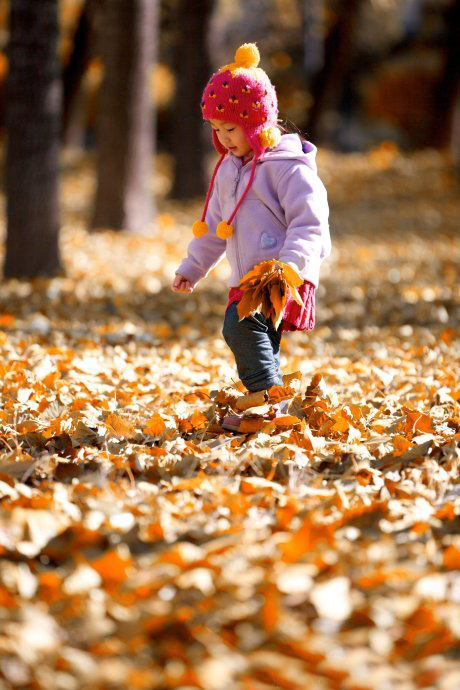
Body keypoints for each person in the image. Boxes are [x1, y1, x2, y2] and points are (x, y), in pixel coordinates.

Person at [172, 43, 331, 431]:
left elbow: (310, 222)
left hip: (276, 278)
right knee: (263, 344)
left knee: (238, 327)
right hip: (244, 277)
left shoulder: (286, 168)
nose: (224, 138)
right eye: (216, 129)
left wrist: (290, 267)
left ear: (258, 122)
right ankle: (272, 412)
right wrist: (193, 267)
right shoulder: (228, 169)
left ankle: (267, 402)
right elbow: (213, 225)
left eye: (231, 128)